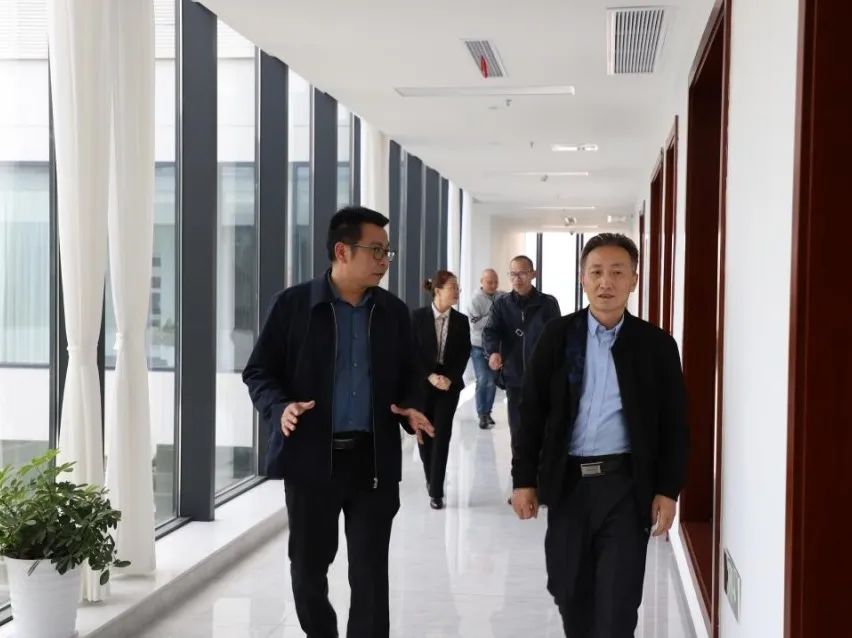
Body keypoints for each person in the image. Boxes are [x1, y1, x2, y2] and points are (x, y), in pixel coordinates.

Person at [242, 206, 434, 638]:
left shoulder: (392, 312)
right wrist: (280, 407)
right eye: (376, 250)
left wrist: (410, 406)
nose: (385, 260)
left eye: (388, 252)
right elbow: (258, 372)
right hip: (311, 461)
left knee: (370, 574)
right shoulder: (293, 305)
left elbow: (411, 373)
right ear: (342, 251)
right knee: (308, 568)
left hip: (372, 462)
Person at [511, 233, 689, 637]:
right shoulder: (558, 336)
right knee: (569, 591)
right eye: (596, 272)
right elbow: (532, 412)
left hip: (625, 487)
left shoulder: (656, 346)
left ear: (634, 280)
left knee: (617, 603)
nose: (606, 282)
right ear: (583, 279)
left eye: (617, 272)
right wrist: (523, 480)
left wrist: (668, 490)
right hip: (568, 485)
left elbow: (674, 424)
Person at [482, 255, 560, 484]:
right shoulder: (501, 305)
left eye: (522, 273)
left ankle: (542, 483)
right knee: (518, 433)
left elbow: (557, 336)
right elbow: (490, 332)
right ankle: (522, 484)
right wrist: (493, 352)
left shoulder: (548, 304)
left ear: (533, 274)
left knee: (544, 431)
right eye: (513, 274)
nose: (517, 279)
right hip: (514, 377)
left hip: (542, 378)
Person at [412, 270, 471, 510]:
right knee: (425, 433)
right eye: (452, 287)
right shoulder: (417, 317)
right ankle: (431, 478)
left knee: (442, 434)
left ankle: (436, 491)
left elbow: (464, 354)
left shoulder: (461, 321)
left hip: (448, 386)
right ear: (437, 290)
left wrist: (450, 378)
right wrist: (429, 375)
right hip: (422, 384)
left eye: (458, 287)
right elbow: (411, 353)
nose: (457, 291)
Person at [468, 268, 505, 429]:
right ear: (482, 282)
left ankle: (487, 412)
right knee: (483, 378)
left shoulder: (502, 296)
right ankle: (481, 414)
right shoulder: (475, 300)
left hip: (495, 347)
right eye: (490, 282)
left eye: (496, 282)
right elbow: (475, 325)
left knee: (492, 381)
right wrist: (494, 316)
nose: (493, 285)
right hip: (478, 346)